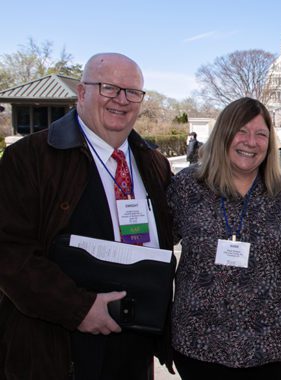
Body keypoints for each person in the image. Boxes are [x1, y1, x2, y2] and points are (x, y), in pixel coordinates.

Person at [0, 53, 174, 380]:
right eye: (109, 88)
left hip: (135, 344)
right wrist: (78, 309)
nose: (122, 100)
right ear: (82, 93)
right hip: (58, 346)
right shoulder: (30, 159)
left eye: (132, 92)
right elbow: (10, 253)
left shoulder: (153, 163)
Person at [167, 97, 281, 380]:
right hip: (199, 343)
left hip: (270, 346)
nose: (251, 142)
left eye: (261, 134)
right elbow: (157, 240)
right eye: (242, 131)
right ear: (224, 133)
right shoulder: (187, 187)